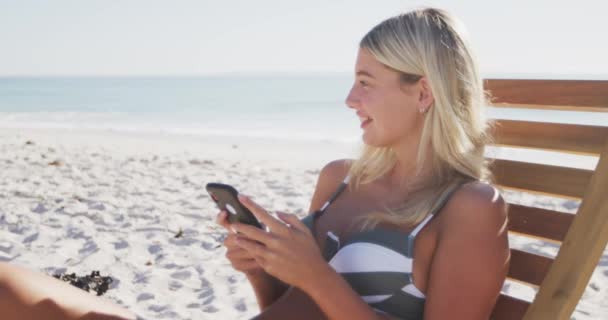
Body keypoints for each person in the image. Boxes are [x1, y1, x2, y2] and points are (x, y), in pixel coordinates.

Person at [215, 7, 510, 320]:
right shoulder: (338, 179)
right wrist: (261, 270)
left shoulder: (470, 208)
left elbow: (317, 289)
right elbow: (293, 308)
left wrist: (317, 278)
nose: (350, 99)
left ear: (423, 93)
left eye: (365, 83)